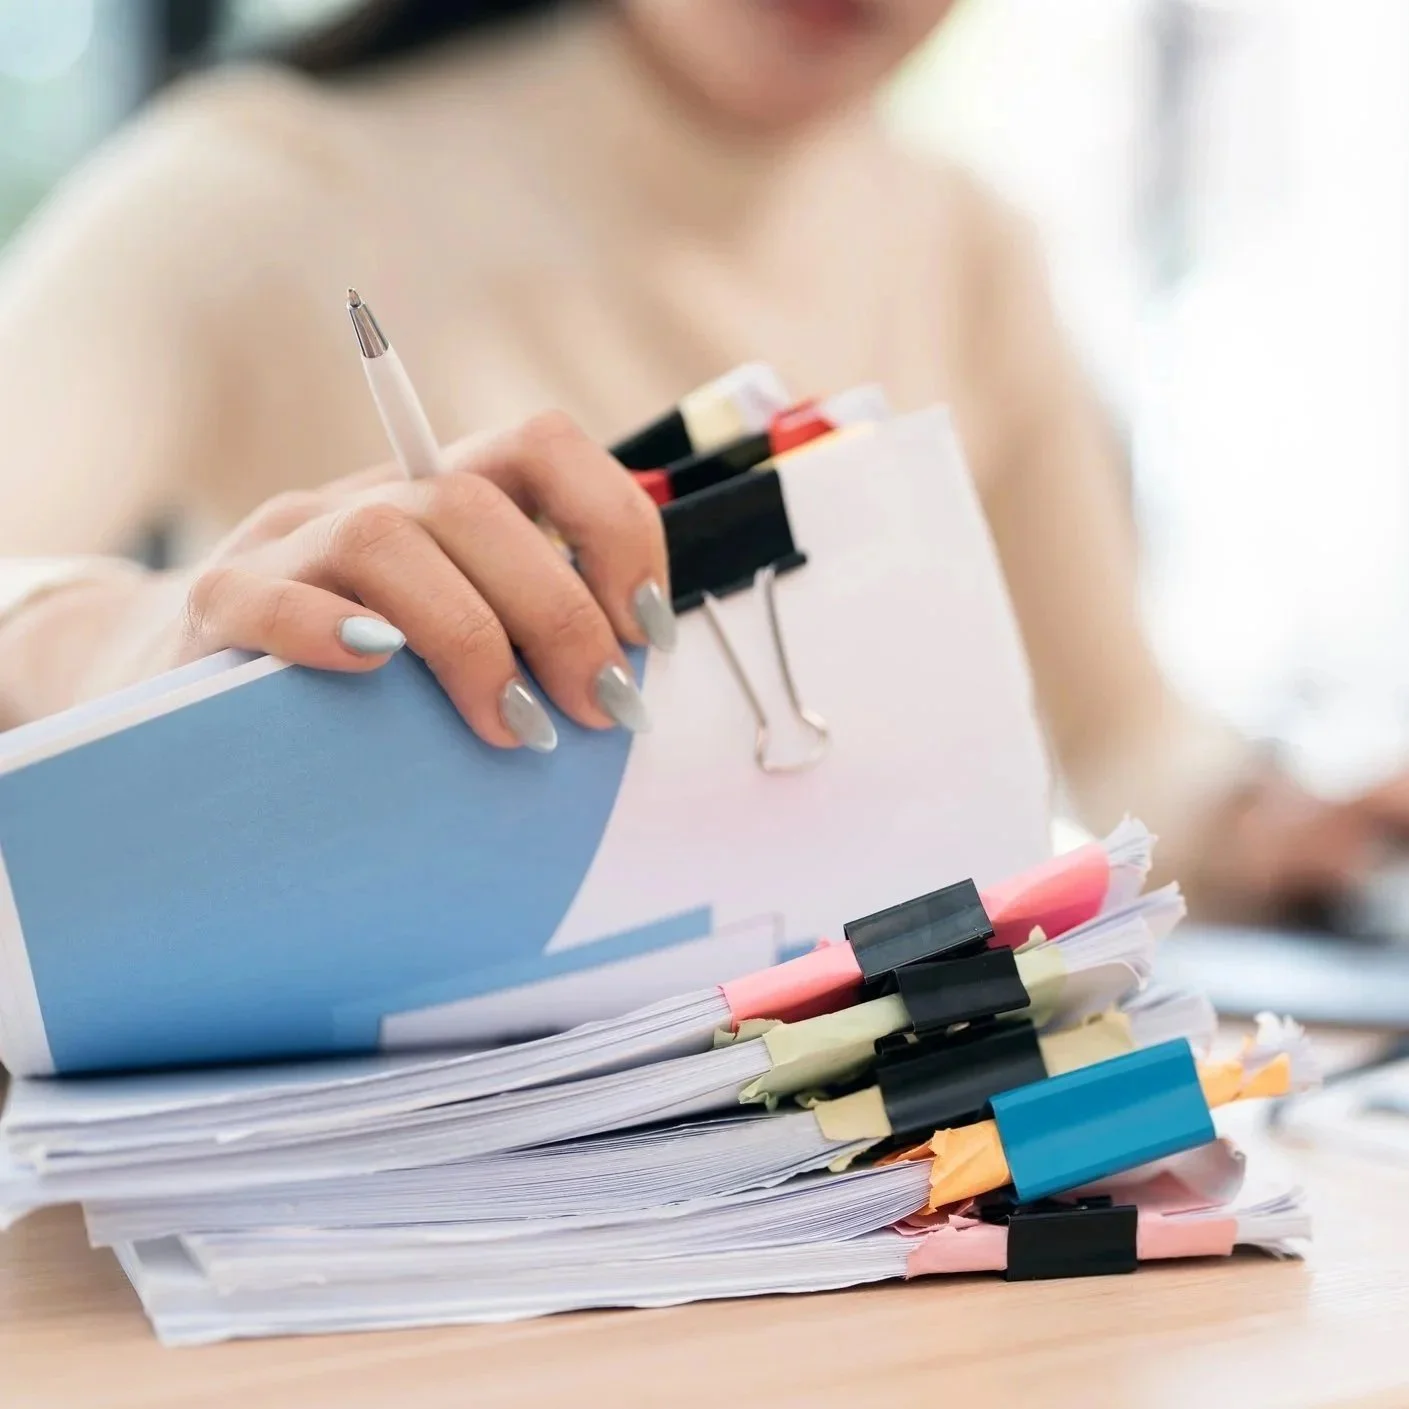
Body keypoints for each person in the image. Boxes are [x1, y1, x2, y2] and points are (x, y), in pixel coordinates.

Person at [0, 0, 1400, 917]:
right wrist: (111, 641)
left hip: (841, 1155)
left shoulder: (967, 235)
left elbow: (1108, 724)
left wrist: (1270, 825)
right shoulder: (254, 187)